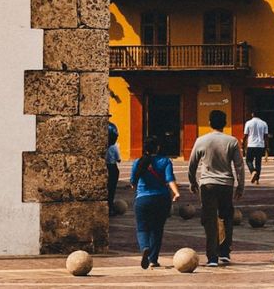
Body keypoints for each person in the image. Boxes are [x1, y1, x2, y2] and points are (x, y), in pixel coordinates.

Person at [187, 109, 246, 267]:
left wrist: (192, 182)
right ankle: (225, 252)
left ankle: (212, 257)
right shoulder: (232, 141)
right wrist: (240, 186)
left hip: (207, 184)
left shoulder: (201, 140)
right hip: (226, 185)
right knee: (226, 217)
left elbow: (192, 164)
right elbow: (239, 166)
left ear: (210, 123)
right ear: (225, 123)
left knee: (210, 220)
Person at [130, 135, 180, 269]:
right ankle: (153, 259)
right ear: (158, 147)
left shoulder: (138, 162)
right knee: (157, 230)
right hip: (162, 199)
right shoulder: (165, 161)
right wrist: (176, 192)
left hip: (143, 199)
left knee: (142, 228)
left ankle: (145, 247)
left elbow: (133, 183)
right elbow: (169, 179)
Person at [242, 110, 269, 185]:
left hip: (251, 145)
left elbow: (245, 135)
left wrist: (243, 144)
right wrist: (267, 146)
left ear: (252, 114)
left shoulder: (248, 123)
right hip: (260, 145)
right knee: (258, 163)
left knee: (248, 160)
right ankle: (257, 180)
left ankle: (252, 171)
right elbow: (266, 136)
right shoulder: (264, 123)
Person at [105, 123, 121, 215]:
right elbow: (118, 159)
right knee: (111, 189)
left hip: (106, 166)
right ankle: (109, 207)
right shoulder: (114, 147)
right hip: (112, 167)